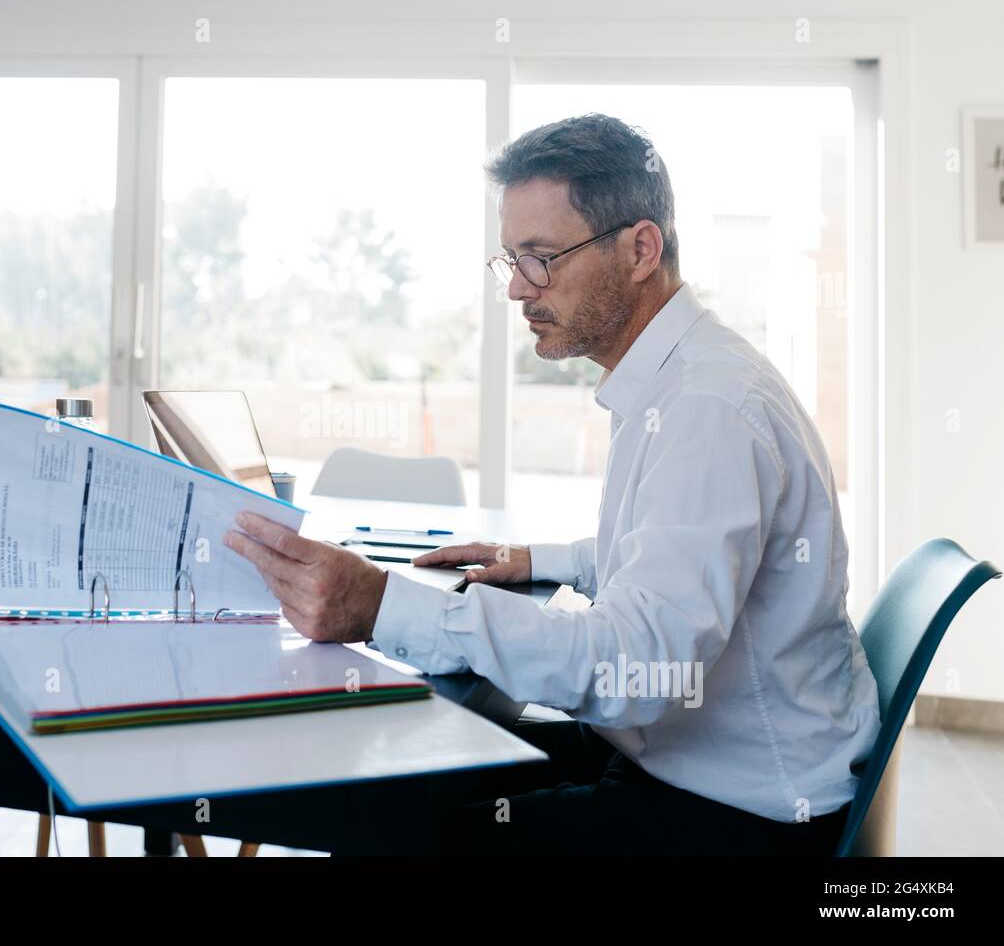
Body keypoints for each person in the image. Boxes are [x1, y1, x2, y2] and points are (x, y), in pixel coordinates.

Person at [224, 113, 880, 854]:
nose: (518, 290)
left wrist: (379, 605)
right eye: (511, 260)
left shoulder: (707, 408)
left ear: (640, 249)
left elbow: (641, 665)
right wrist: (547, 562)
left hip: (739, 814)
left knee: (386, 829)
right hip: (699, 762)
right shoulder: (683, 377)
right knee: (396, 789)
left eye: (541, 257)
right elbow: (676, 559)